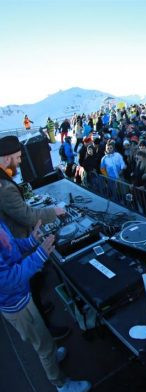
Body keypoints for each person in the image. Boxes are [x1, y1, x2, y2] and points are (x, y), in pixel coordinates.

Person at [0, 221, 91, 392]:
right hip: (18, 306)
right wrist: (39, 255)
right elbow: (8, 280)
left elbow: (10, 245)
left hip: (22, 296)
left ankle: (53, 357)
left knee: (43, 335)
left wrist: (30, 241)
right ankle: (61, 384)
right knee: (44, 347)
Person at [0, 136, 69, 340]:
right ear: (6, 159)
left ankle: (39, 308)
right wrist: (54, 211)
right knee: (31, 283)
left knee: (35, 286)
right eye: (18, 157)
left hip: (18, 242)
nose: (21, 161)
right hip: (16, 244)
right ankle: (47, 328)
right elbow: (27, 215)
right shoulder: (4, 188)